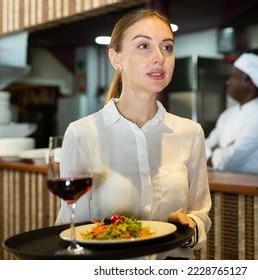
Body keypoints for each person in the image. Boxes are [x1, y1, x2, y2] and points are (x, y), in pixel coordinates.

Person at [54, 9, 211, 259]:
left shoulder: (190, 133)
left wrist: (191, 226)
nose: (159, 57)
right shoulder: (82, 133)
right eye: (143, 46)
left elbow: (200, 213)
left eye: (167, 47)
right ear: (116, 59)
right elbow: (71, 226)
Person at [205, 53, 258, 175]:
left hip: (252, 190)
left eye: (233, 77)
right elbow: (202, 146)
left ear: (249, 82)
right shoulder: (227, 114)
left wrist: (215, 153)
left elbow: (229, 160)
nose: (228, 82)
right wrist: (220, 151)